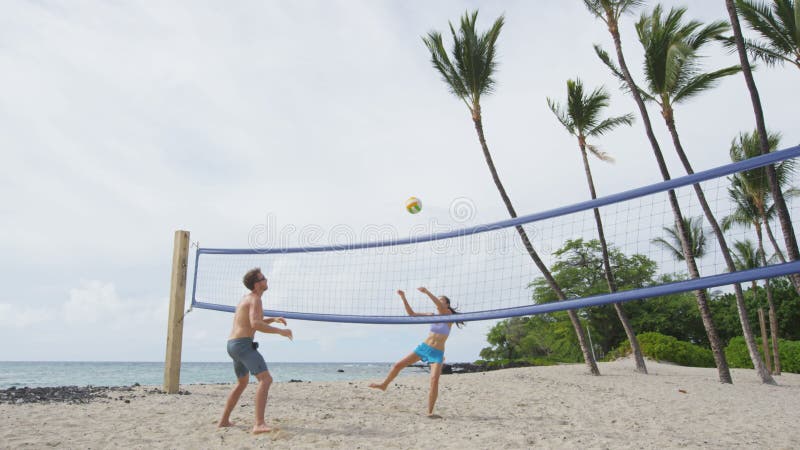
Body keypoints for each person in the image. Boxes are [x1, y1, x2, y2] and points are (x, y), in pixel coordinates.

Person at [217, 267, 293, 434]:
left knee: (242, 383)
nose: (266, 279)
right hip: (243, 345)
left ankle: (223, 421)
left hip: (233, 344)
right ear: (257, 284)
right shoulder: (255, 299)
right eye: (263, 277)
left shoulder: (248, 298)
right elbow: (255, 324)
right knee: (266, 380)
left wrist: (273, 319)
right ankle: (259, 424)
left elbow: (252, 321)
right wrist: (281, 332)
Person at [369, 286, 463, 417]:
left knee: (434, 380)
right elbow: (411, 314)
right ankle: (384, 385)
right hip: (424, 348)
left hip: (437, 353)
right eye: (439, 300)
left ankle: (430, 412)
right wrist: (403, 297)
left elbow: (439, 307)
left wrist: (427, 292)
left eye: (442, 301)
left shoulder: (449, 316)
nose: (439, 302)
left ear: (447, 305)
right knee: (398, 365)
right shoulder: (432, 316)